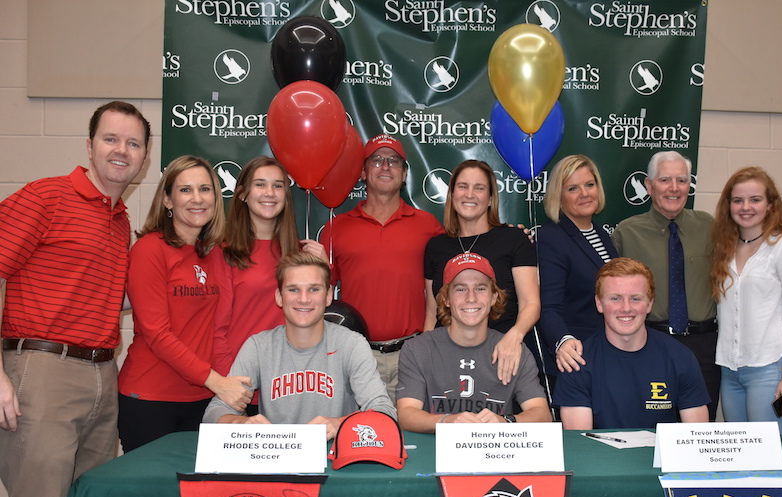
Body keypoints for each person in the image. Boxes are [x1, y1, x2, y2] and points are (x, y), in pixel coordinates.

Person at [0, 101, 149, 497]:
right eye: (111, 139)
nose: (121, 151)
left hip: (102, 378)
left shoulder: (119, 218)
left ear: (145, 157)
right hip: (42, 372)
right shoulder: (46, 197)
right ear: (89, 146)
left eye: (132, 143)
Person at [117, 155, 251, 453]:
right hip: (151, 397)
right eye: (185, 190)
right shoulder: (150, 250)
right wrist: (217, 381)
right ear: (167, 200)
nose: (197, 198)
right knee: (154, 496)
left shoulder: (216, 252)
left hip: (202, 399)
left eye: (205, 189)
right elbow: (157, 333)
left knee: (195, 496)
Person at [203, 252, 395, 438]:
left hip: (334, 459)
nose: (304, 298)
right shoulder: (258, 347)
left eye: (314, 289)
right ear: (279, 296)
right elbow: (214, 412)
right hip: (277, 460)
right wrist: (242, 423)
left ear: (328, 296)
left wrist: (340, 423)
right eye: (293, 289)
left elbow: (384, 412)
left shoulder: (351, 344)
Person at [319, 134, 443, 402]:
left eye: (394, 161)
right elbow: (321, 296)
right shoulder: (335, 228)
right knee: (361, 438)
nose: (385, 166)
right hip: (355, 355)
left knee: (413, 439)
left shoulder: (429, 226)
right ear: (363, 173)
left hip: (413, 354)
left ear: (404, 173)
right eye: (376, 160)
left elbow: (452, 281)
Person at [711, 167, 782, 437]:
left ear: (771, 205)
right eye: (738, 200)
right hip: (730, 371)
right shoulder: (723, 249)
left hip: (768, 370)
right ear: (729, 206)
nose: (745, 207)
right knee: (739, 460)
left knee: (772, 460)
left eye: (755, 199)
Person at [612, 151, 720, 420]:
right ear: (649, 186)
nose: (674, 188)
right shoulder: (626, 233)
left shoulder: (709, 226)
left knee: (698, 433)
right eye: (665, 180)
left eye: (681, 180)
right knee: (648, 427)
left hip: (703, 347)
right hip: (649, 343)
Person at [397, 253, 551, 433]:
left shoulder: (514, 351)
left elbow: (542, 415)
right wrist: (447, 422)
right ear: (446, 299)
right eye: (460, 289)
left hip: (493, 454)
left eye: (480, 288)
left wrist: (505, 422)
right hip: (436, 455)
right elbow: (406, 415)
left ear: (494, 297)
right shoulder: (418, 348)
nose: (471, 298)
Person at [554, 258, 710, 429]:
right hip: (602, 455)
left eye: (636, 299)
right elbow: (581, 444)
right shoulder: (577, 362)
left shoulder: (680, 357)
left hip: (659, 455)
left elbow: (697, 437)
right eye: (615, 298)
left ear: (649, 304)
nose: (626, 308)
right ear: (599, 303)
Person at [424, 159, 539, 384]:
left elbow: (531, 304)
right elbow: (431, 312)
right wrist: (425, 356)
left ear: (490, 199)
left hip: (501, 356)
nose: (470, 194)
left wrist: (513, 337)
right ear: (452, 194)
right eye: (463, 186)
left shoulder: (514, 239)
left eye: (479, 188)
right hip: (447, 359)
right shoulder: (436, 247)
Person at [212, 157, 325, 379]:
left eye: (278, 186)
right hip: (242, 377)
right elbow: (216, 331)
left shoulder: (300, 255)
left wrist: (325, 268)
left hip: (290, 380)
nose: (270, 193)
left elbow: (316, 318)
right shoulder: (223, 253)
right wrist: (231, 382)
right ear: (243, 194)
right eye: (260, 184)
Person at [538, 154, 619, 376]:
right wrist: (562, 341)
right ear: (559, 196)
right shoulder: (552, 237)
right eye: (573, 188)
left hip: (609, 352)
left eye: (589, 185)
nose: (584, 193)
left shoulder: (600, 233)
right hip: (577, 357)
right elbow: (549, 307)